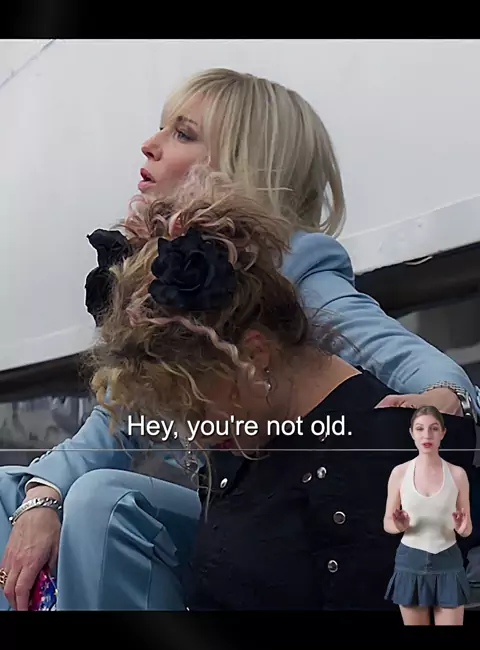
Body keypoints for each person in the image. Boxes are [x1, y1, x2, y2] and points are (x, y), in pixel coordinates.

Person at [0, 67, 478, 610]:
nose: (150, 144)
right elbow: (114, 425)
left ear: (242, 166)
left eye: (182, 133)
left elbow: (423, 367)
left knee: (100, 501)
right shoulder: (171, 286)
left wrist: (445, 396)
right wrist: (40, 498)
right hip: (228, 522)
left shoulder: (298, 277)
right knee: (16, 492)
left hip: (282, 529)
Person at [384, 405, 472, 625]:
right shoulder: (399, 473)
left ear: (443, 433)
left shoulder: (458, 474)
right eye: (420, 428)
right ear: (411, 433)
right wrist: (400, 525)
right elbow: (387, 522)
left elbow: (467, 528)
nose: (427, 435)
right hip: (410, 561)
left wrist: (462, 528)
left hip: (448, 560)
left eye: (433, 428)